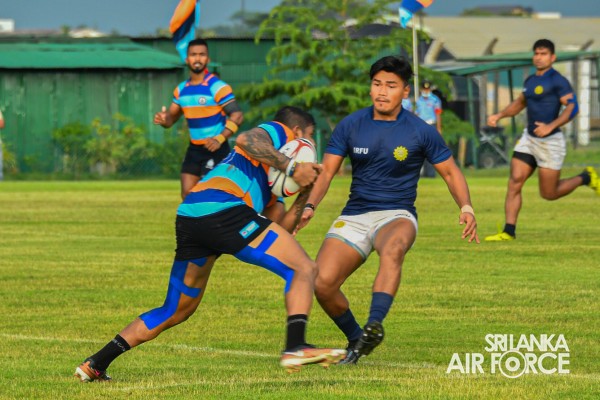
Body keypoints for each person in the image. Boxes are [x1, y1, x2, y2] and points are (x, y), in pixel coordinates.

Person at [74, 106, 346, 382]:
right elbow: (246, 139)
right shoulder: (279, 131)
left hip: (192, 216)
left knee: (177, 309)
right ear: (297, 132)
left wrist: (305, 191)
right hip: (223, 209)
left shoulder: (268, 187)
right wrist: (293, 167)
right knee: (303, 268)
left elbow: (280, 230)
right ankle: (296, 346)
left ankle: (95, 363)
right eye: (310, 135)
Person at [296, 56, 479, 365]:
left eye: (391, 86)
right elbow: (326, 173)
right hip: (355, 215)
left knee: (392, 249)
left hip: (397, 214)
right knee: (322, 283)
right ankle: (358, 337)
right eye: (377, 84)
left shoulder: (420, 130)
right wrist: (310, 205)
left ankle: (375, 322)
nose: (382, 92)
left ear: (405, 91)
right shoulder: (351, 125)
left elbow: (450, 172)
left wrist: (466, 207)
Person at [485, 39, 599, 242]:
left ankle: (585, 177)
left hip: (550, 142)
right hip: (529, 139)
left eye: (543, 54)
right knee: (515, 181)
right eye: (536, 53)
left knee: (549, 193)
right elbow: (519, 103)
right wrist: (499, 115)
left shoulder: (558, 80)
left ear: (552, 57)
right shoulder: (530, 81)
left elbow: (572, 107)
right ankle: (508, 231)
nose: (539, 57)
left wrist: (551, 126)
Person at [153, 38, 244, 200]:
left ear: (208, 59)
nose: (197, 58)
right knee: (187, 194)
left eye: (202, 55)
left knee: (214, 196)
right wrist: (163, 119)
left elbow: (237, 116)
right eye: (193, 55)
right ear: (187, 59)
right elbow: (171, 119)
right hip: (194, 149)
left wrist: (219, 139)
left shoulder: (217, 87)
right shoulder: (181, 90)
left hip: (216, 147)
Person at [415, 80, 443, 178]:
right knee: (420, 150)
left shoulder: (435, 100)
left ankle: (431, 174)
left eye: (427, 89)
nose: (426, 91)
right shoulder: (419, 100)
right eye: (424, 89)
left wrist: (439, 128)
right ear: (421, 89)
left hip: (431, 125)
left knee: (430, 150)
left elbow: (438, 114)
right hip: (421, 126)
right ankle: (422, 173)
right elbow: (417, 114)